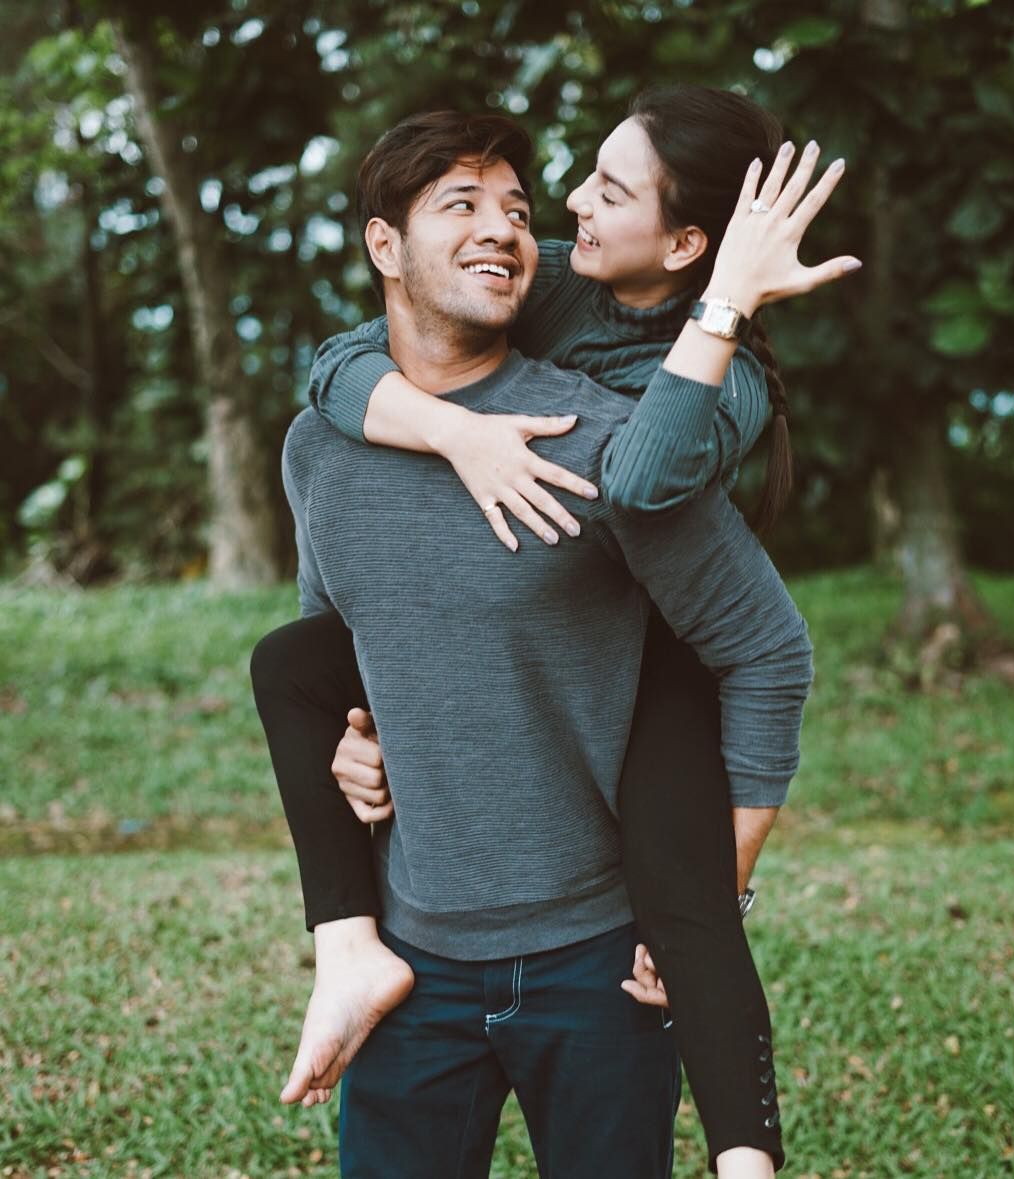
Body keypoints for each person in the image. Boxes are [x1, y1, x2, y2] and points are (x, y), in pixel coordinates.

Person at [253, 92, 855, 1177]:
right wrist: (453, 436)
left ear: (685, 244)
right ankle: (338, 950)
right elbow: (336, 614)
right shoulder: (331, 442)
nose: (534, 222)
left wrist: (716, 886)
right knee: (284, 665)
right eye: (469, 205)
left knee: (685, 841)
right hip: (412, 951)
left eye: (535, 206)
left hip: (593, 943)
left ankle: (747, 1151)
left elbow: (675, 528)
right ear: (384, 243)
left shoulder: (675, 410)